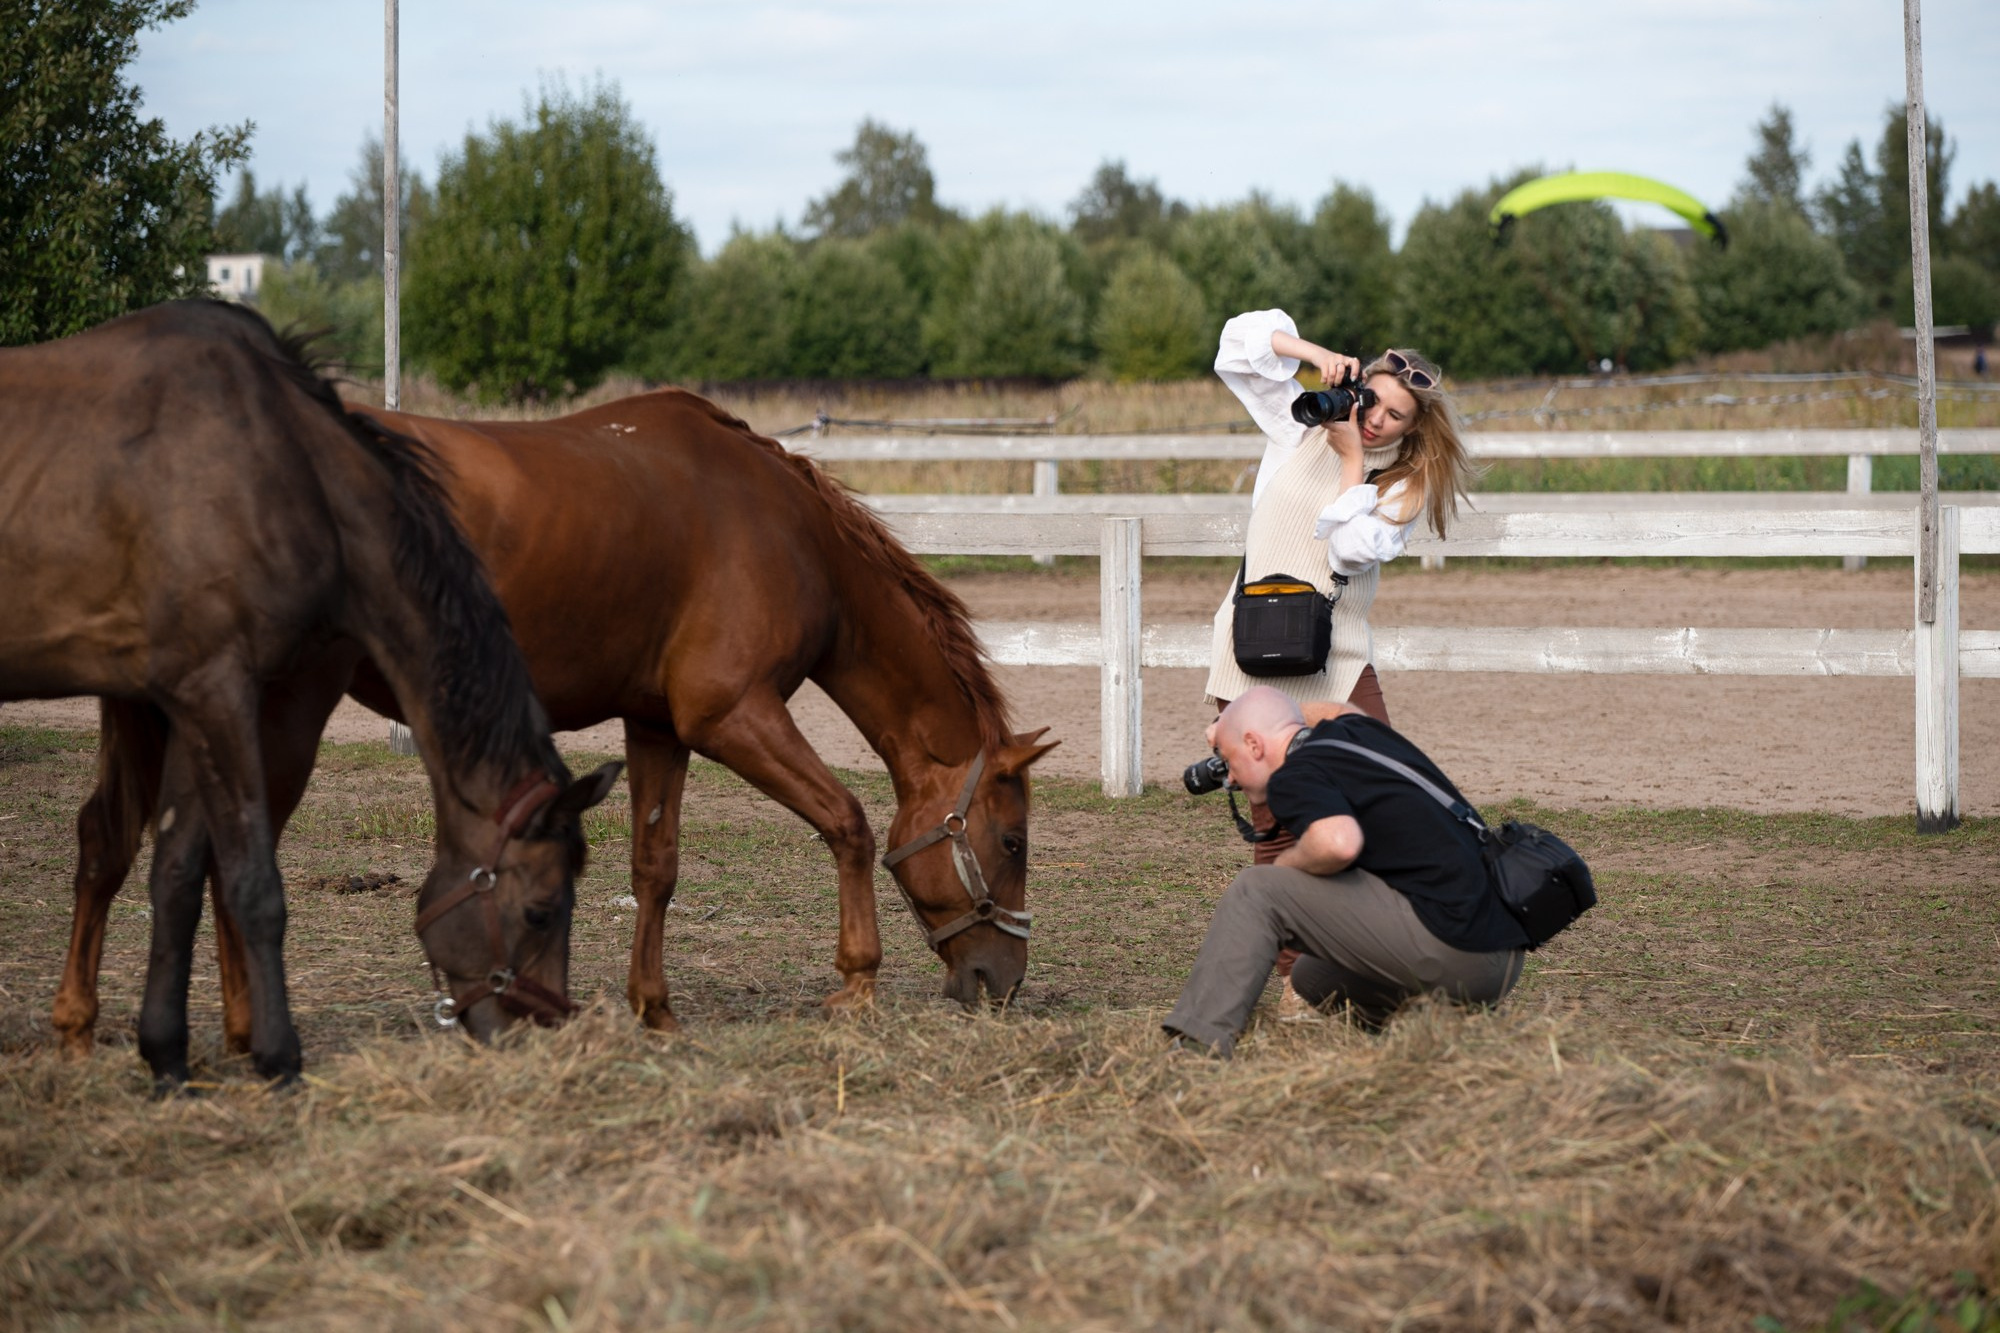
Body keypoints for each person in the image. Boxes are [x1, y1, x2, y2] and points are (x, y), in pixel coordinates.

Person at [1204, 309, 1478, 1010]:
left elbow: (1348, 551)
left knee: (1384, 806)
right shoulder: (1297, 427)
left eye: (1396, 414)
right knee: (1276, 828)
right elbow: (1238, 345)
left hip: (1338, 664)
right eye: (1372, 401)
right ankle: (1299, 991)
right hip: (1252, 658)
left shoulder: (1403, 482)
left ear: (1416, 427)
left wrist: (1353, 457)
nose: (1378, 419)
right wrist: (1316, 354)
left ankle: (1381, 962)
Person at [1163, 687, 1526, 1057]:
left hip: (1456, 953)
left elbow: (1338, 843)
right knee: (1312, 978)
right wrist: (1241, 721)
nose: (1231, 780)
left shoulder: (1293, 773)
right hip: (1499, 962)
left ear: (1255, 745)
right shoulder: (1360, 734)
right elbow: (1339, 708)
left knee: (1256, 890)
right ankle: (1408, 1040)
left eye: (1228, 759)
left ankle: (1196, 1046)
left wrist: (1284, 865)